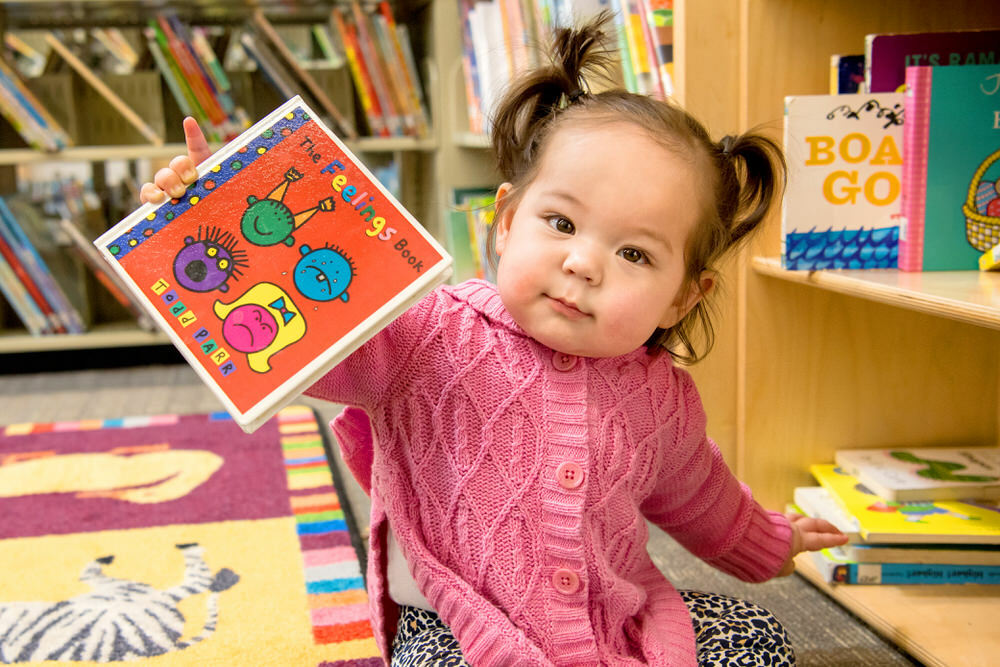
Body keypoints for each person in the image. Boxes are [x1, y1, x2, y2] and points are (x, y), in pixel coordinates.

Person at [142, 14, 847, 666]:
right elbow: (312, 340)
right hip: (456, 627)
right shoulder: (429, 333)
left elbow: (702, 497)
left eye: (635, 254)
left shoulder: (662, 399)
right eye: (562, 224)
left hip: (610, 623)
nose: (583, 263)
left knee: (757, 635)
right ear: (507, 220)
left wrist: (776, 542)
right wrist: (213, 212)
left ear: (683, 296)